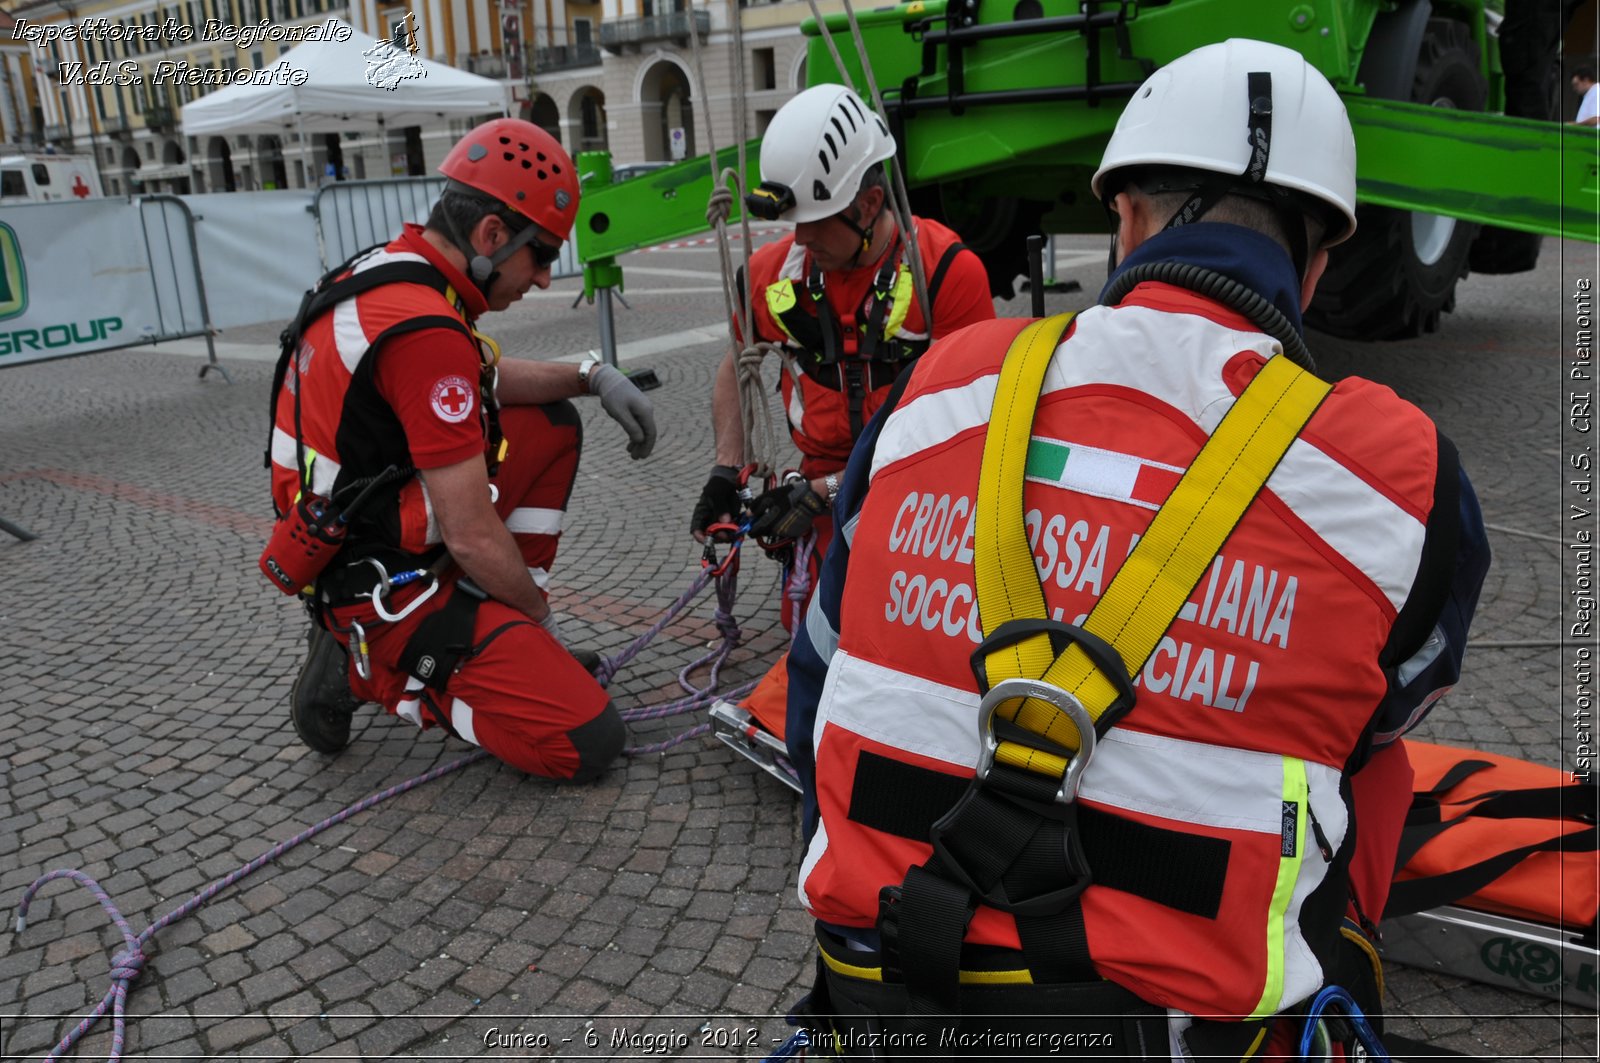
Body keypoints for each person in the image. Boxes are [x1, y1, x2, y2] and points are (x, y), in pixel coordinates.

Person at [785, 39, 1489, 1058]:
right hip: (1170, 1034)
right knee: (1371, 758)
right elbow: (1375, 720)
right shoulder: (1400, 472)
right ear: (1319, 261)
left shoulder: (939, 387)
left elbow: (818, 675)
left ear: (1123, 218)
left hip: (880, 988)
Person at [267, 118, 657, 783]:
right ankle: (373, 672)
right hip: (380, 585)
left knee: (550, 422)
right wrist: (543, 624)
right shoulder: (425, 329)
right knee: (585, 741)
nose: (540, 280)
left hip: (350, 539)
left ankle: (492, 632)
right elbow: (470, 532)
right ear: (492, 236)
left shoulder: (394, 271)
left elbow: (476, 379)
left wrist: (590, 375)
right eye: (541, 257)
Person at [688, 83, 994, 628]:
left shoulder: (944, 274)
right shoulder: (771, 277)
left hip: (923, 490)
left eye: (815, 219)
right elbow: (737, 367)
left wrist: (825, 493)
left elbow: (970, 428)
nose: (800, 236)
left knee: (894, 628)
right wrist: (725, 470)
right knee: (810, 627)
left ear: (869, 204)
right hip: (820, 488)